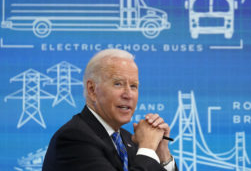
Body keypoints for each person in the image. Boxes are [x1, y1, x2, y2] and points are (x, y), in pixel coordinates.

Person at [42, 49, 177, 171]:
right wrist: (148, 146)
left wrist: (162, 153)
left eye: (134, 86)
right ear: (92, 90)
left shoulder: (127, 139)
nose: (128, 94)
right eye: (118, 84)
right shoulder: (73, 138)